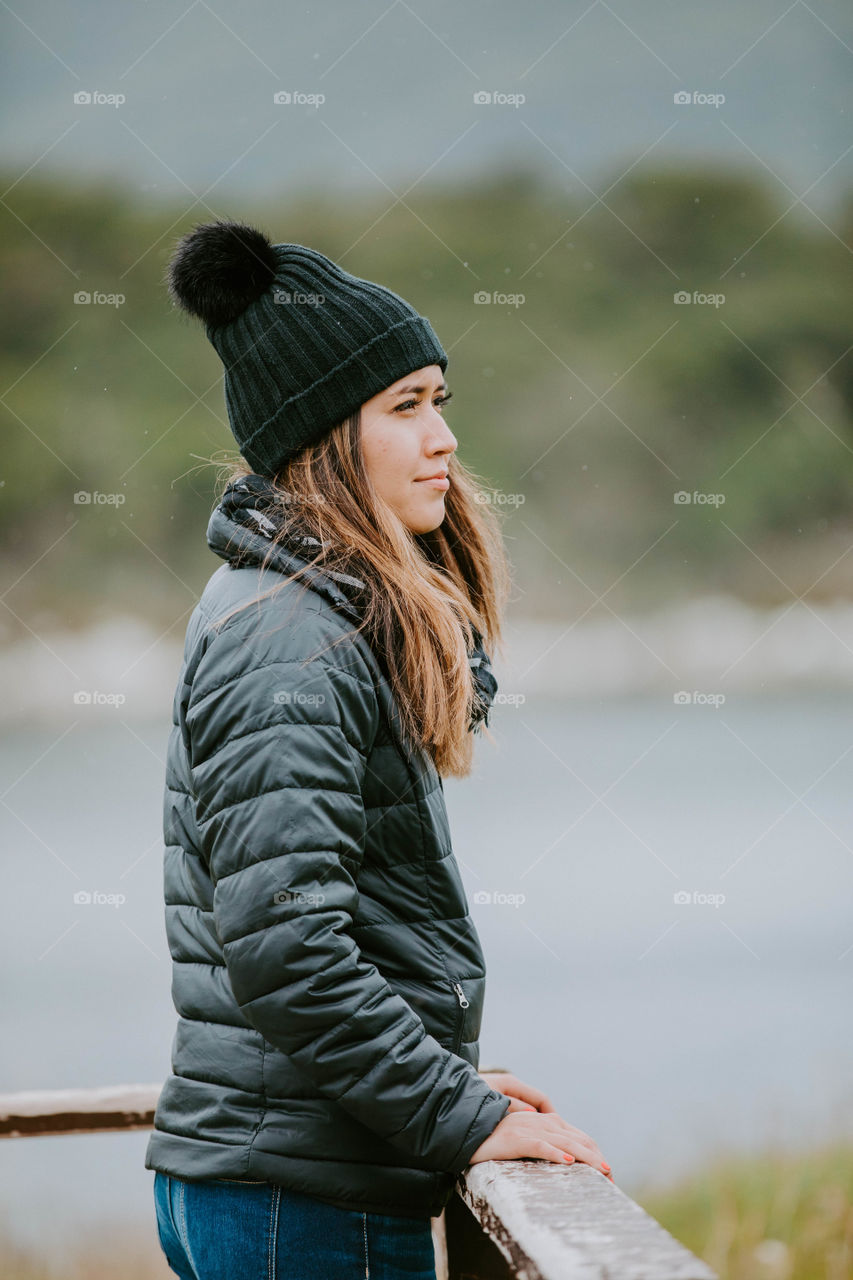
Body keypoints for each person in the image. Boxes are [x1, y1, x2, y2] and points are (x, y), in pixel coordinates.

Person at [145, 220, 612, 1280]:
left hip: (291, 1182)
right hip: (301, 1201)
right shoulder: (288, 633)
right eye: (404, 407)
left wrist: (450, 1087)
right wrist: (460, 1114)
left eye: (438, 400)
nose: (442, 437)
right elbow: (289, 948)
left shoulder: (302, 607)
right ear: (322, 435)